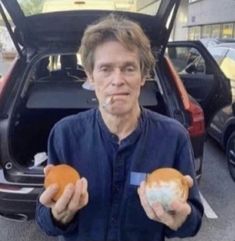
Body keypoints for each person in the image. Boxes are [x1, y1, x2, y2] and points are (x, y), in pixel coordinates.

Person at [36, 14, 203, 241]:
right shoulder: (65, 134)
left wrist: (183, 220)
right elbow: (45, 218)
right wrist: (57, 216)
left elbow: (192, 221)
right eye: (105, 69)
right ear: (90, 76)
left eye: (129, 68)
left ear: (143, 76)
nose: (117, 80)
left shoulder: (173, 137)